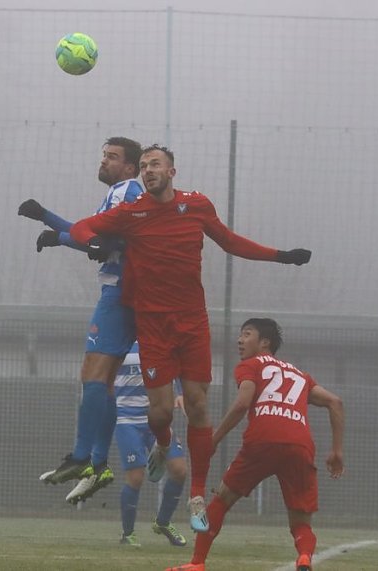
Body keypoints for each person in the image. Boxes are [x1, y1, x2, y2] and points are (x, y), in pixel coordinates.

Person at [69, 144, 312, 532]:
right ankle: (164, 444)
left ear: (172, 171)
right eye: (143, 166)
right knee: (161, 413)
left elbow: (229, 241)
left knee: (198, 405)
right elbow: (82, 227)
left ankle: (197, 496)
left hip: (193, 323)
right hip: (153, 325)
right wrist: (92, 241)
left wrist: (281, 256)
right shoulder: (132, 212)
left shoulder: (196, 205)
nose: (148, 170)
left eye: (155, 164)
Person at [19, 136, 144, 504]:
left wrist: (58, 231)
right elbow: (95, 238)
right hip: (129, 292)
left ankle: (81, 456)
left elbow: (106, 242)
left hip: (119, 293)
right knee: (105, 383)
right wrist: (51, 223)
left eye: (112, 157)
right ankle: (98, 464)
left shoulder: (126, 190)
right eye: (103, 155)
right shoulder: (122, 193)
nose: (104, 161)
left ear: (130, 167)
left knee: (93, 375)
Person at [165, 318, 345, 571]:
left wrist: (214, 439)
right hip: (299, 446)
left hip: (262, 442)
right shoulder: (299, 375)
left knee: (222, 500)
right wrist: (336, 451)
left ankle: (197, 563)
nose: (240, 340)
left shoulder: (250, 365)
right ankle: (304, 557)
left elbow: (242, 404)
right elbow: (335, 402)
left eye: (247, 334)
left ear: (264, 342)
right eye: (240, 335)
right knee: (301, 521)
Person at [108, 342, 188, 548]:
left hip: (156, 418)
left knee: (179, 470)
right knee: (136, 477)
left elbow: (176, 365)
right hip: (126, 420)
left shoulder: (159, 341)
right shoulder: (119, 341)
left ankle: (163, 522)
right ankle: (128, 534)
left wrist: (180, 392)